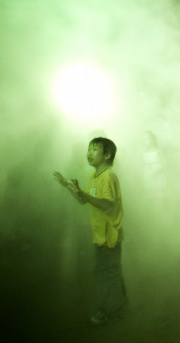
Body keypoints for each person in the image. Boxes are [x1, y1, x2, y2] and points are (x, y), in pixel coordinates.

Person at [53, 137, 127, 326]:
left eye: (94, 149)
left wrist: (84, 194)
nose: (89, 152)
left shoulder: (108, 176)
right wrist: (68, 187)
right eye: (89, 149)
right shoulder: (95, 176)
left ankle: (107, 310)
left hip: (110, 235)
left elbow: (108, 205)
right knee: (110, 272)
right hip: (100, 235)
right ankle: (120, 306)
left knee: (105, 274)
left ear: (107, 155)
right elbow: (83, 200)